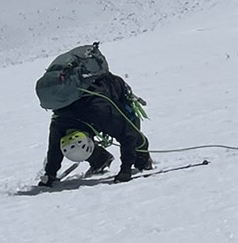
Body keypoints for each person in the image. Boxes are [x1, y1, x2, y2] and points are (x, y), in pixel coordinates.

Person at [40, 56, 153, 185]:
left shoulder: (100, 112)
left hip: (114, 90)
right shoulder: (60, 123)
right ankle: (100, 159)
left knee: (130, 131)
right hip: (88, 105)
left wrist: (125, 170)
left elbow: (127, 135)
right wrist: (50, 173)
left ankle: (142, 157)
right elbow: (54, 149)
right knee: (78, 145)